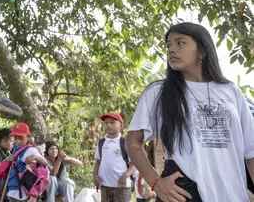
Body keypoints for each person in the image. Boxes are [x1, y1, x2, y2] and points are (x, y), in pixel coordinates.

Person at [127, 22, 254, 202]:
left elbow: (251, 153)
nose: (171, 49)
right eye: (168, 45)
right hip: (185, 195)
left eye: (180, 43)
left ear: (202, 49)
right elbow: (133, 142)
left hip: (233, 195)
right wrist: (157, 183)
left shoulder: (231, 91)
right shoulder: (159, 92)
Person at [5, 122, 56, 202]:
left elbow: (45, 162)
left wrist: (34, 156)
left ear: (28, 137)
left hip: (21, 192)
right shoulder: (16, 148)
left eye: (21, 138)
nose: (17, 141)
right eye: (15, 138)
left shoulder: (30, 150)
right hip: (14, 189)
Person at [92, 113, 135, 202]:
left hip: (122, 186)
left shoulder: (125, 143)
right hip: (105, 186)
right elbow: (98, 162)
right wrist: (95, 176)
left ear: (121, 126)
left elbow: (134, 165)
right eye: (106, 123)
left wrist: (125, 176)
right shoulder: (101, 143)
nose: (109, 125)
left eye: (112, 122)